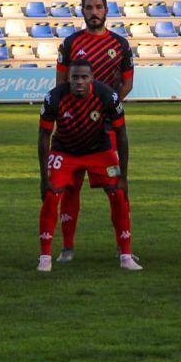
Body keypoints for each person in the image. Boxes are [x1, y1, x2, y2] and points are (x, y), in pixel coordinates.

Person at [37, 59, 140, 272]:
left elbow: (121, 134)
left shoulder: (107, 96)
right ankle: (45, 257)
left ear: (92, 78)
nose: (80, 81)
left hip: (98, 151)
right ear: (68, 78)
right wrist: (43, 177)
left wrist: (124, 176)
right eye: (75, 77)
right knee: (51, 195)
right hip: (65, 151)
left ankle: (126, 255)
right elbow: (44, 135)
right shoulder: (54, 97)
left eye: (84, 77)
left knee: (118, 194)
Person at [54, 0, 135, 263]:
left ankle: (124, 248)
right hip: (74, 127)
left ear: (106, 10)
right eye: (89, 7)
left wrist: (105, 108)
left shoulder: (120, 45)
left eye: (98, 7)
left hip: (108, 128)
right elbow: (61, 84)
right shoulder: (71, 43)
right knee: (70, 187)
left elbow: (127, 84)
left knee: (117, 188)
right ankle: (67, 248)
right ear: (82, 11)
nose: (94, 12)